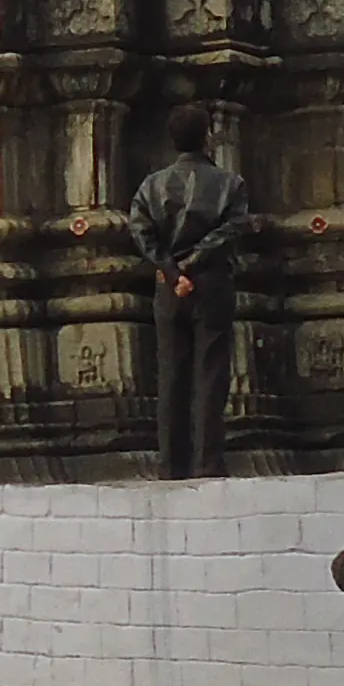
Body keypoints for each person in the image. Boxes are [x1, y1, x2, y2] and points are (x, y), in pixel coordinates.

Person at [125, 104, 250, 478]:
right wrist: (192, 265)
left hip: (168, 286)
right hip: (210, 284)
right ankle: (207, 462)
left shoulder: (152, 186)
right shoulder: (230, 184)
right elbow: (232, 229)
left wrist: (171, 269)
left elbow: (141, 231)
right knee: (210, 373)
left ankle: (170, 464)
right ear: (207, 137)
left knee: (171, 374)